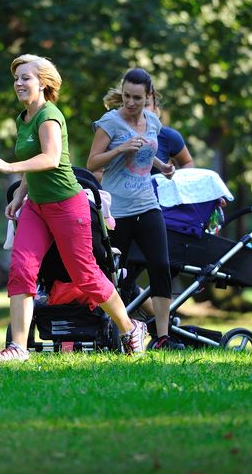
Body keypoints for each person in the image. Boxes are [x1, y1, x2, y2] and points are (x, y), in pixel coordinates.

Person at [0, 54, 146, 361]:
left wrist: (9, 167)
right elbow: (34, 163)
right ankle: (18, 347)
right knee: (21, 269)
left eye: (26, 78)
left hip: (66, 206)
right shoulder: (24, 118)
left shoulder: (50, 115)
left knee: (85, 274)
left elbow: (50, 158)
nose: (18, 83)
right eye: (16, 78)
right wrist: (20, 194)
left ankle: (129, 328)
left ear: (43, 83)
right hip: (37, 207)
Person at [88, 68, 185, 350]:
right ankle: (112, 332)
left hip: (148, 204)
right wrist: (120, 149)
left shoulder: (153, 121)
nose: (130, 103)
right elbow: (92, 163)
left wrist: (163, 166)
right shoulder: (110, 123)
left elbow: (147, 151)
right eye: (126, 96)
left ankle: (163, 336)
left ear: (149, 97)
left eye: (137, 98)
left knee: (161, 266)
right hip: (117, 211)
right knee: (115, 273)